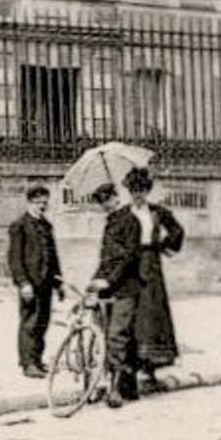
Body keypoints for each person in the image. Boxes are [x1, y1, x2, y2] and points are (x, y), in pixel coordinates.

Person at [89, 166, 184, 408]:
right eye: (134, 191)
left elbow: (177, 231)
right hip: (129, 268)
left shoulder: (156, 212)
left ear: (148, 191)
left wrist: (163, 245)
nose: (138, 195)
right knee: (125, 322)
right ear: (129, 192)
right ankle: (125, 375)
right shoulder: (123, 215)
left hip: (149, 265)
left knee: (150, 319)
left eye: (142, 190)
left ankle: (148, 367)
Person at [8, 185, 64, 378]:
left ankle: (37, 360)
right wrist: (23, 283)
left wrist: (59, 282)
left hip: (46, 284)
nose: (42, 206)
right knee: (29, 323)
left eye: (45, 203)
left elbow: (53, 256)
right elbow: (14, 258)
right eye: (39, 202)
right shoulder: (20, 225)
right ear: (29, 202)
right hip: (30, 285)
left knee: (42, 322)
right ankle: (28, 364)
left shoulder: (47, 226)